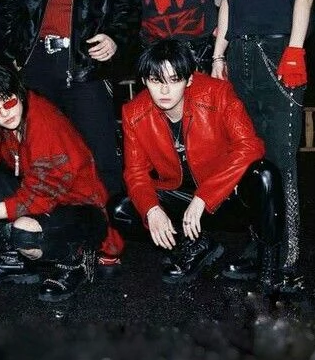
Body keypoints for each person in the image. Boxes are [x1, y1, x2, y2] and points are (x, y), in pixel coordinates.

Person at [0, 0, 139, 275]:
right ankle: (39, 239)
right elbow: (7, 7)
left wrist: (115, 39)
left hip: (85, 67)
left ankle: (105, 239)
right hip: (35, 65)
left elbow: (129, 13)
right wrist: (15, 52)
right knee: (33, 155)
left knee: (100, 158)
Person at [211, 0, 315, 294]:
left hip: (277, 54)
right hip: (238, 55)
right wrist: (217, 58)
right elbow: (227, 4)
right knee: (247, 157)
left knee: (280, 160)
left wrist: (294, 49)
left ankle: (287, 258)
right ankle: (259, 248)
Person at [117, 40, 284, 290]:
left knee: (265, 174)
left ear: (189, 80)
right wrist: (152, 210)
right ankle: (195, 245)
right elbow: (136, 172)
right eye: (155, 80)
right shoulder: (134, 113)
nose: (164, 90)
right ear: (144, 80)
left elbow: (250, 145)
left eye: (174, 80)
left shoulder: (217, 93)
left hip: (225, 197)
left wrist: (204, 196)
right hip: (181, 197)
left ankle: (267, 265)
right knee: (121, 209)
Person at [0, 62, 109, 302]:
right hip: (40, 198)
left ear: (19, 93)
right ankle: (15, 260)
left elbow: (37, 198)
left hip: (82, 209)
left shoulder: (44, 122)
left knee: (25, 233)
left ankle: (76, 260)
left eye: (9, 102)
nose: (4, 113)